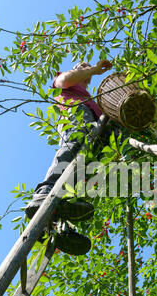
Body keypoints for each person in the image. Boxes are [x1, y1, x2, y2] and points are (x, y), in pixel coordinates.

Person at [25, 60, 113, 255]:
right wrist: (95, 69)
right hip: (77, 116)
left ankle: (60, 227)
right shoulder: (66, 80)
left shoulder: (89, 96)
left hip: (94, 136)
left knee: (79, 177)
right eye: (83, 66)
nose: (87, 69)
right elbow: (64, 81)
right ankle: (45, 192)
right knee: (72, 146)